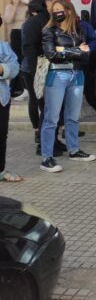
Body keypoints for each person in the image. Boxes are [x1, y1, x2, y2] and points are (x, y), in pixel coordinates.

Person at [40, 0, 96, 173]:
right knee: (52, 118)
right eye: (54, 10)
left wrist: (63, 50)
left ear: (68, 11)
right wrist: (76, 50)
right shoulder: (49, 31)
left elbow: (87, 56)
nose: (56, 13)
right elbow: (51, 55)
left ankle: (74, 149)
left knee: (73, 116)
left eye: (59, 9)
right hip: (57, 75)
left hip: (77, 74)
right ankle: (46, 157)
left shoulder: (78, 29)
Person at [21, 0, 67, 154]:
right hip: (36, 71)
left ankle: (54, 140)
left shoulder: (58, 20)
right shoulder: (34, 23)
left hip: (55, 69)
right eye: (59, 2)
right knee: (47, 108)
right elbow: (29, 49)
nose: (63, 6)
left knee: (55, 108)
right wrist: (38, 75)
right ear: (49, 4)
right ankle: (44, 145)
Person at [0, 14, 23, 182]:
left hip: (1, 99)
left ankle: (0, 170)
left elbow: (15, 67)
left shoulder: (3, 46)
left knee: (1, 135)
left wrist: (2, 69)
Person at [4, 0, 30, 99]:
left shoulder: (29, 7)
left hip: (27, 34)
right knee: (17, 59)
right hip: (16, 34)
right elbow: (8, 20)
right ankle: (17, 89)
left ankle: (26, 88)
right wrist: (15, 5)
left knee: (26, 59)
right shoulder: (10, 6)